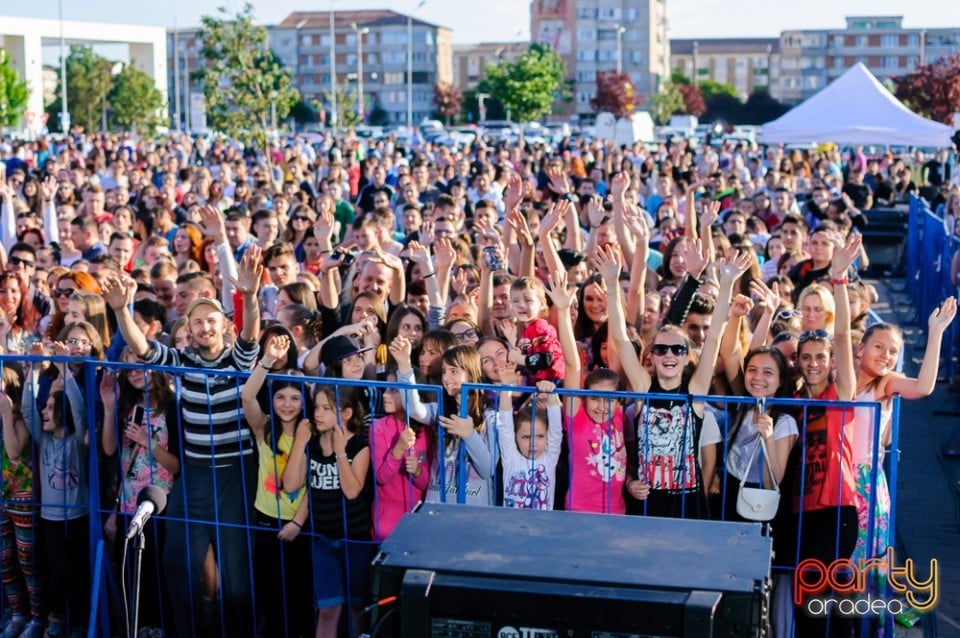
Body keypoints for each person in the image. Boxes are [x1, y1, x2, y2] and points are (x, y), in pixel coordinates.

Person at [102, 243, 264, 638]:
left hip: (236, 475)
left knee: (238, 577)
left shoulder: (237, 360)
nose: (205, 328)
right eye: (197, 323)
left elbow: (251, 333)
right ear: (188, 331)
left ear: (223, 325)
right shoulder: (185, 360)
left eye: (212, 321)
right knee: (181, 564)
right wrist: (123, 309)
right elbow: (141, 349)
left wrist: (250, 295)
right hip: (194, 475)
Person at [99, 350, 179, 632]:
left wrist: (149, 442)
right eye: (128, 367)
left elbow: (177, 465)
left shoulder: (171, 407)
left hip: (159, 505)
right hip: (127, 505)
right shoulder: (127, 406)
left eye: (140, 366)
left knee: (156, 572)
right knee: (131, 572)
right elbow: (110, 449)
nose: (133, 372)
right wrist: (109, 407)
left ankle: (158, 627)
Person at [282, 386, 371, 638]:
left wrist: (340, 451)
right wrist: (299, 444)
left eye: (326, 409)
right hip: (322, 540)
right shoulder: (311, 442)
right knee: (328, 609)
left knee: (356, 608)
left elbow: (352, 490)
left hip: (354, 538)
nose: (317, 414)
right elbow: (291, 484)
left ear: (346, 413)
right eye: (316, 407)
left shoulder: (359, 446)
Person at [240, 334, 312, 638]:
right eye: (281, 397)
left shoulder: (311, 433)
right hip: (265, 519)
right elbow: (247, 397)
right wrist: (267, 361)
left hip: (299, 525)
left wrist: (298, 521)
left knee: (298, 593)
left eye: (295, 398)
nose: (287, 404)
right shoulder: (265, 427)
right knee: (269, 591)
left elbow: (313, 487)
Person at [18, 368, 89, 637]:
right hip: (50, 519)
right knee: (57, 572)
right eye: (44, 406)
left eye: (50, 407)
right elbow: (27, 410)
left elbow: (80, 411)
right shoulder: (43, 439)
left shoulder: (76, 442)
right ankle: (55, 618)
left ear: (63, 411)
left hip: (78, 516)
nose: (44, 412)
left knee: (79, 571)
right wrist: (33, 371)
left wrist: (66, 371)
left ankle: (79, 622)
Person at [391, 338, 499, 506]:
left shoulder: (490, 416)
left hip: (473, 513)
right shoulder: (441, 409)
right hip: (439, 506)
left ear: (471, 373)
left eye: (454, 371)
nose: (446, 378)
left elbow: (487, 469)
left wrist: (469, 435)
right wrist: (404, 366)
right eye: (444, 371)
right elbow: (414, 410)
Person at [0, 366, 42, 638]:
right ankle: (17, 614)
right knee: (4, 559)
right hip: (1, 498)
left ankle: (37, 618)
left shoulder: (20, 417)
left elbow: (14, 453)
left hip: (22, 496)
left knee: (27, 560)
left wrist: (5, 413)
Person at [371, 382, 430, 541]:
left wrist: (418, 471)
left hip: (419, 523)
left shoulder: (427, 430)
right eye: (386, 388)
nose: (384, 394)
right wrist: (398, 450)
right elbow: (382, 477)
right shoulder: (378, 427)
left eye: (394, 389)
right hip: (387, 526)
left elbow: (429, 483)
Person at [495, 378, 563, 510]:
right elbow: (505, 427)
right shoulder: (510, 458)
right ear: (515, 437)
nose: (533, 443)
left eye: (540, 436)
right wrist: (506, 388)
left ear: (547, 437)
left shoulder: (549, 459)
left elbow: (556, 430)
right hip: (512, 527)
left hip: (541, 528)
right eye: (526, 437)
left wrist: (551, 392)